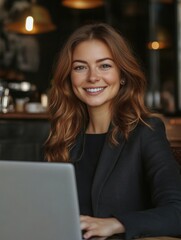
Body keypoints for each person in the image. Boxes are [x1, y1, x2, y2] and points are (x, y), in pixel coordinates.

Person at [45, 22, 181, 239]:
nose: (92, 77)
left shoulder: (146, 132)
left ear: (123, 74)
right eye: (80, 67)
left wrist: (117, 224)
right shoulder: (62, 137)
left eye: (105, 65)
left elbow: (177, 212)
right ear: (69, 79)